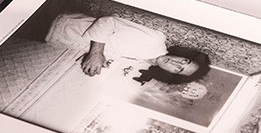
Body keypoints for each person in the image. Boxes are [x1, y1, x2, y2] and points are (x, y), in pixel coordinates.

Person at [44, 12, 210, 83]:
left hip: (54, 41)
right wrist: (96, 53)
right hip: (58, 23)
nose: (175, 63)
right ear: (183, 54)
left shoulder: (142, 64)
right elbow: (109, 21)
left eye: (178, 70)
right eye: (184, 61)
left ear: (170, 74)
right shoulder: (155, 40)